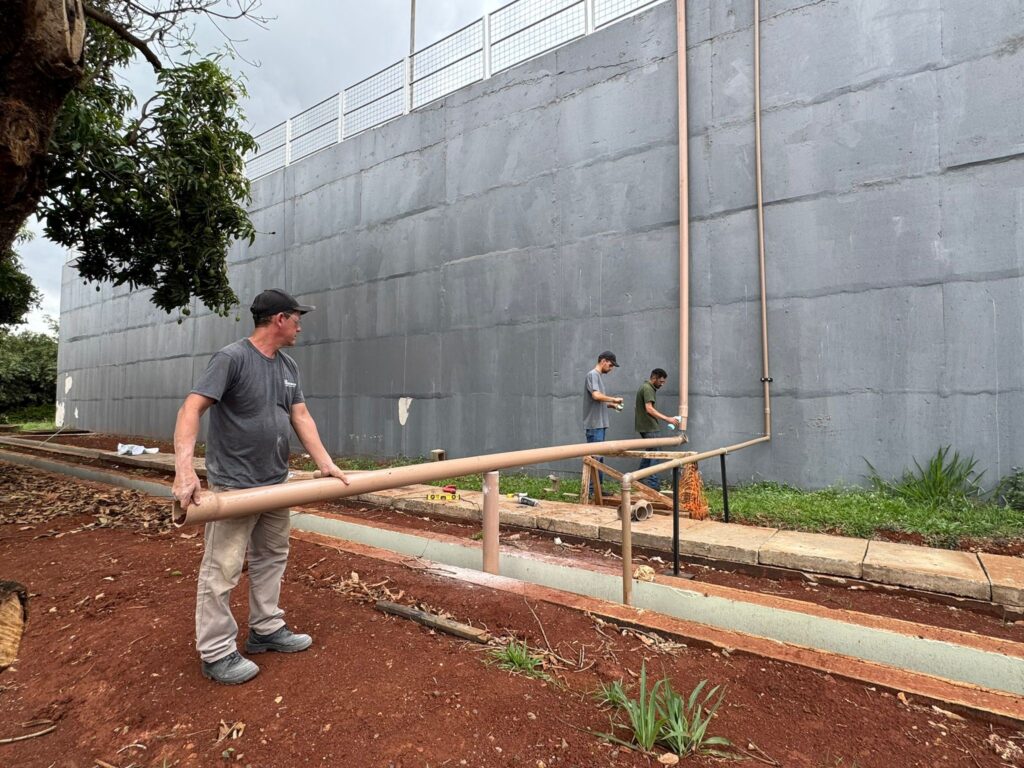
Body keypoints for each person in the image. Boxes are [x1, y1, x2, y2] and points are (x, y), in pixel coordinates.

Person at [172, 288, 349, 685]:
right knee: (222, 568)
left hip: (275, 481)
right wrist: (185, 471)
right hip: (234, 486)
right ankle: (216, 651)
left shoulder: (288, 366)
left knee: (272, 556)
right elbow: (191, 409)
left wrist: (326, 464)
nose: (300, 326)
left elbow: (301, 416)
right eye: (297, 319)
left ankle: (266, 629)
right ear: (279, 319)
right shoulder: (232, 358)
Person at [583, 351, 624, 490]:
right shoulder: (593, 375)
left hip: (599, 424)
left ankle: (598, 490)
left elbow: (598, 401)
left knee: (599, 458)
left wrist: (612, 405)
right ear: (603, 361)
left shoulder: (597, 376)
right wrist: (613, 399)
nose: (611, 369)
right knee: (595, 458)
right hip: (595, 425)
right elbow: (596, 396)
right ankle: (593, 490)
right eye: (611, 365)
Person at [634, 368, 680, 490]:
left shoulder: (646, 387)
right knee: (656, 453)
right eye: (661, 381)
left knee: (650, 452)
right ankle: (653, 483)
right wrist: (668, 419)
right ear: (654, 378)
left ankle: (639, 478)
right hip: (649, 427)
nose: (662, 384)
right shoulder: (648, 388)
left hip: (645, 426)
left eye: (664, 382)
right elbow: (649, 409)